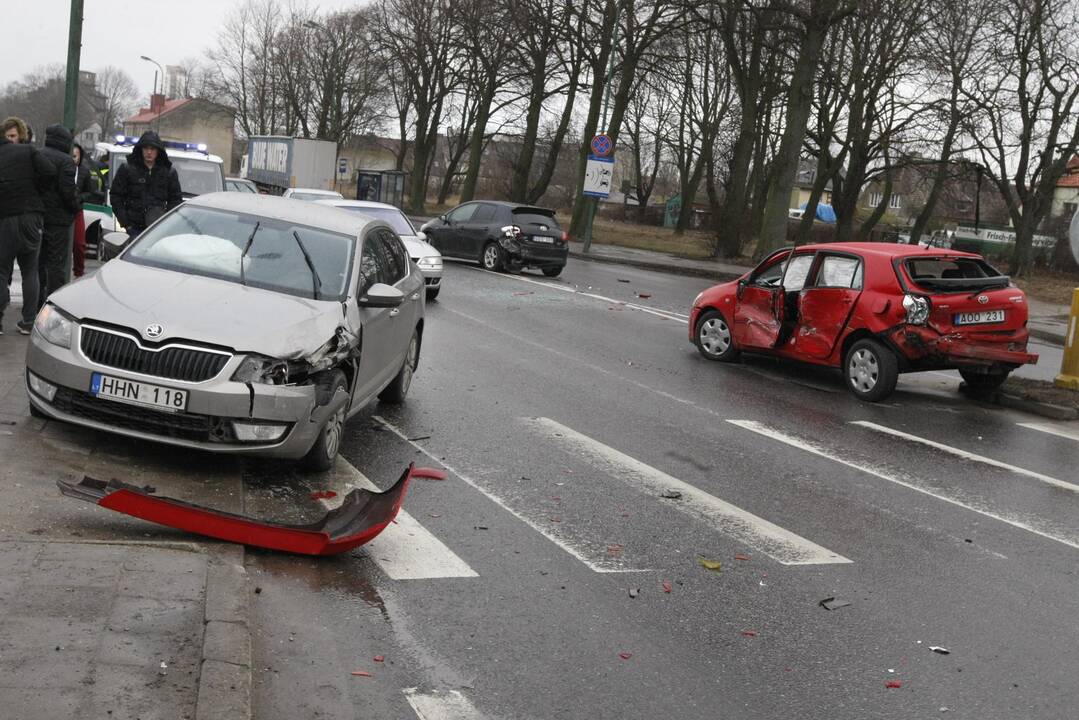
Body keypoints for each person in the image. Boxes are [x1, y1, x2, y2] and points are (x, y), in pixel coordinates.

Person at [0, 116, 54, 336]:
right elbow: (50, 172)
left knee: (1, 270)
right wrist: (36, 192)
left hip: (5, 218)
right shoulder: (30, 152)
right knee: (30, 269)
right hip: (32, 217)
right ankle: (29, 320)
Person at [108, 130, 182, 238]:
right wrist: (126, 223)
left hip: (158, 228)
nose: (149, 152)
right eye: (146, 148)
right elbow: (116, 196)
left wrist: (166, 222)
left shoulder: (169, 173)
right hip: (133, 228)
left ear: (158, 151)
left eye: (152, 149)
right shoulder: (127, 169)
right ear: (140, 149)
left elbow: (175, 200)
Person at [37, 124, 80, 307]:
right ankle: (52, 305)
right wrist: (76, 207)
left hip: (39, 216)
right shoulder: (66, 161)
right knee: (56, 265)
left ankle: (36, 303)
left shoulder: (38, 154)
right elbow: (67, 192)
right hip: (59, 221)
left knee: (38, 263)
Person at [71, 142, 103, 278]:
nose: (73, 159)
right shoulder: (61, 167)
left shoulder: (84, 171)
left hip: (77, 210)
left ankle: (79, 272)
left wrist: (79, 197)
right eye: (71, 156)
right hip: (60, 211)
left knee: (79, 243)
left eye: (75, 156)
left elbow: (90, 191)